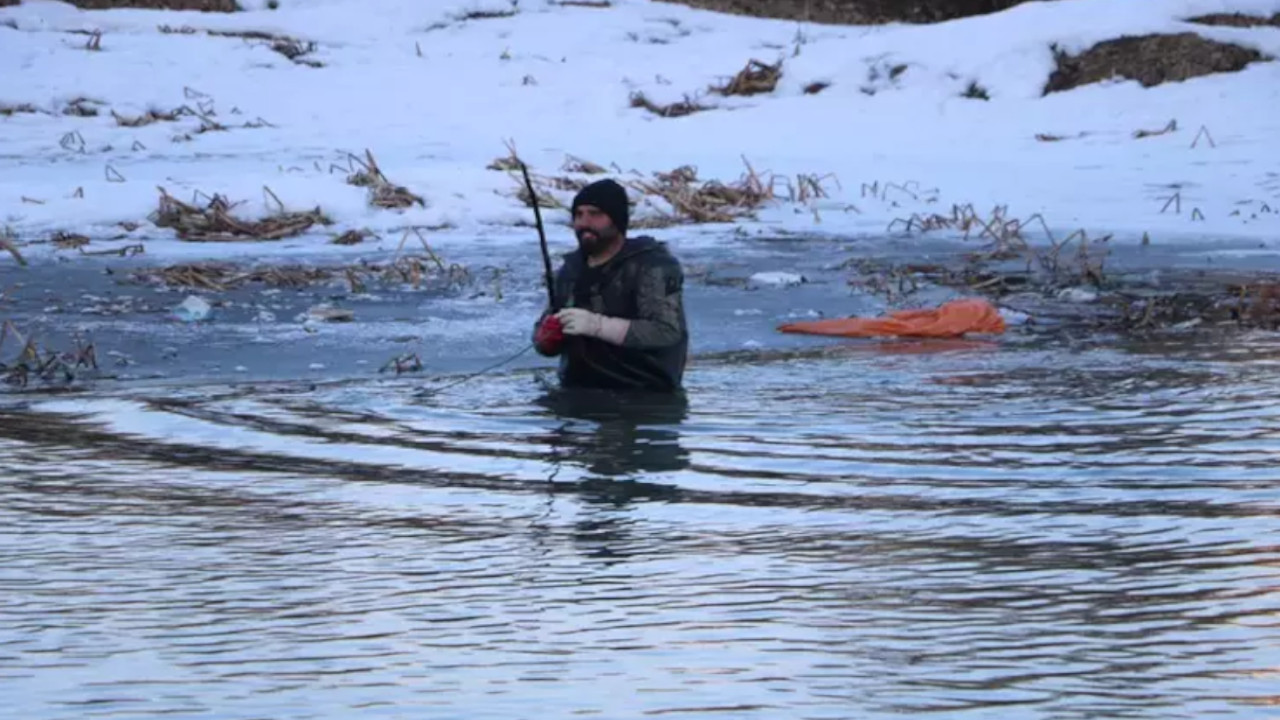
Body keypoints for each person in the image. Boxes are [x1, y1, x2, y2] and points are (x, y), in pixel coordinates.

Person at [531, 178, 689, 393]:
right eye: (579, 214)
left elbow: (666, 332)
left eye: (595, 214)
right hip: (577, 392)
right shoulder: (570, 269)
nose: (584, 223)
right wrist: (546, 338)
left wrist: (598, 326)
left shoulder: (652, 266)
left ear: (617, 220)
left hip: (645, 395)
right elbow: (546, 334)